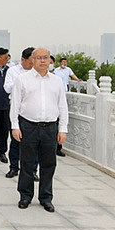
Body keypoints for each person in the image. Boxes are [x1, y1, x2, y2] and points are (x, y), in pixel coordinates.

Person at [10, 47, 68, 213]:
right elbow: (15, 104)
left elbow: (62, 106)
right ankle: (25, 196)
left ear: (50, 60)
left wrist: (63, 128)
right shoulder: (22, 79)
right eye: (38, 58)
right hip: (28, 126)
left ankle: (46, 197)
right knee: (27, 163)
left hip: (50, 127)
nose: (42, 61)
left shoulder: (56, 81)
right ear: (32, 60)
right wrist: (15, 126)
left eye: (45, 57)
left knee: (49, 164)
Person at [3, 47, 35, 178]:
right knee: (16, 141)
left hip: (32, 111)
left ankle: (33, 170)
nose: (32, 65)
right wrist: (20, 82)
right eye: (30, 62)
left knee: (33, 144)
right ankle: (14, 167)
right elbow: (7, 88)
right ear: (23, 59)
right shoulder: (13, 71)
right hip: (17, 110)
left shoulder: (37, 73)